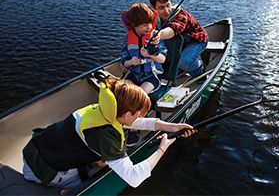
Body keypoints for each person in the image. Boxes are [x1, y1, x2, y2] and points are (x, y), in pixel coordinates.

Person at [22, 76, 196, 191]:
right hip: (42, 170)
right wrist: (162, 148)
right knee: (103, 171)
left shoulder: (103, 110)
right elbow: (134, 178)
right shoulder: (106, 135)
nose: (142, 117)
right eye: (139, 113)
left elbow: (134, 122)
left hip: (34, 150)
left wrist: (172, 127)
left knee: (105, 160)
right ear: (127, 114)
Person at [121, 3, 168, 146]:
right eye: (143, 25)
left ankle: (135, 128)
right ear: (134, 26)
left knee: (140, 94)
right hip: (134, 75)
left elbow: (163, 59)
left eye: (149, 23)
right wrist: (131, 62)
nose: (148, 27)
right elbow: (123, 60)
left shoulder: (155, 38)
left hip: (151, 76)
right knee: (124, 91)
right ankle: (122, 120)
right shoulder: (128, 38)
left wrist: (150, 54)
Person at [148, 0, 208, 78]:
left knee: (183, 62)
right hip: (178, 42)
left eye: (168, 5)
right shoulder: (153, 17)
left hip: (197, 40)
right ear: (154, 8)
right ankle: (179, 68)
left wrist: (159, 34)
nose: (167, 11)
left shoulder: (181, 15)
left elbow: (174, 29)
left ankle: (200, 69)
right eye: (161, 8)